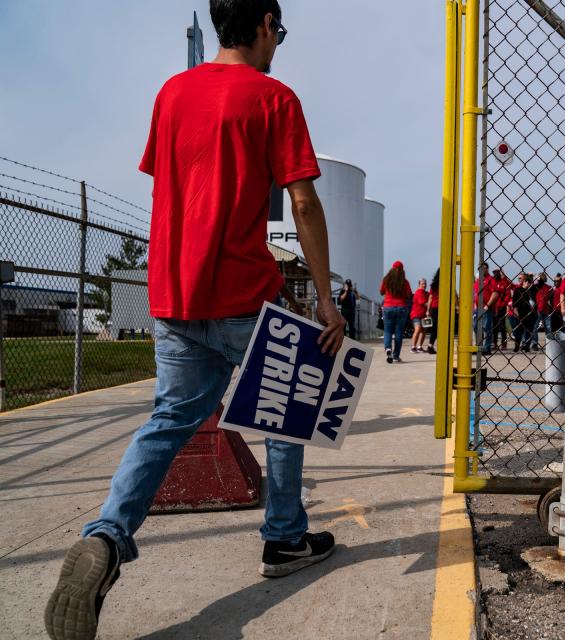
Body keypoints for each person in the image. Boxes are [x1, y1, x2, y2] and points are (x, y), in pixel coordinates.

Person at [44, 4, 346, 638]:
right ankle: (285, 537)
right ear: (264, 23)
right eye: (278, 34)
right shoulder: (274, 98)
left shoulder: (172, 93)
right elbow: (305, 200)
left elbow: (177, 184)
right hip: (242, 288)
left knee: (167, 421)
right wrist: (324, 296)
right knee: (285, 412)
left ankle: (106, 533)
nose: (277, 46)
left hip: (174, 296)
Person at [380, 261, 412, 363]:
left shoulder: (386, 280)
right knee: (399, 333)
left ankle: (388, 348)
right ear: (402, 270)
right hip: (401, 308)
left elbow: (381, 291)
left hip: (388, 307)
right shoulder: (405, 282)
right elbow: (409, 294)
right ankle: (396, 356)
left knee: (387, 331)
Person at [474, 262, 499, 355]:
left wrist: (488, 305)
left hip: (486, 308)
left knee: (486, 327)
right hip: (477, 308)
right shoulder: (478, 280)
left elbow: (495, 293)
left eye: (483, 268)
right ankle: (479, 346)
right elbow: (475, 293)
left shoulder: (491, 280)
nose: (481, 270)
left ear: (487, 269)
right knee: (476, 326)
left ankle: (487, 347)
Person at [511, 273, 535, 352]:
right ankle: (516, 347)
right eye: (519, 279)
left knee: (529, 331)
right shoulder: (517, 290)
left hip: (530, 315)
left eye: (521, 278)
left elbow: (540, 281)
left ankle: (526, 347)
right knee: (518, 332)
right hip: (520, 314)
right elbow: (514, 304)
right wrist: (517, 314)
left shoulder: (532, 290)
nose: (520, 280)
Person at [491, 268, 510, 349]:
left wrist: (504, 275)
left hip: (501, 306)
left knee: (502, 326)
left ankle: (504, 343)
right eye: (494, 273)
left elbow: (509, 288)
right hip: (493, 306)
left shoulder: (504, 282)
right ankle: (494, 343)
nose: (495, 274)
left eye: (497, 273)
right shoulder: (492, 282)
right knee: (494, 326)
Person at [532, 272, 552, 348]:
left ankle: (549, 344)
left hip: (546, 310)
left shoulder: (548, 287)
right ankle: (534, 343)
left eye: (543, 277)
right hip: (538, 309)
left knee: (548, 327)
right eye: (540, 277)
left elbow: (551, 298)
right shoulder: (535, 287)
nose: (541, 278)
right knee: (535, 327)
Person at [409, 278, 429, 352]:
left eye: (425, 284)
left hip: (423, 315)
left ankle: (419, 347)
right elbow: (423, 302)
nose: (424, 285)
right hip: (416, 314)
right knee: (417, 329)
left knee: (423, 331)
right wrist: (430, 305)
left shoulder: (425, 292)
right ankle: (413, 347)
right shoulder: (419, 292)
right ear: (419, 284)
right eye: (422, 284)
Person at [426, 269, 440, 354]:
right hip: (444, 307)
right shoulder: (447, 283)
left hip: (435, 307)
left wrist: (428, 310)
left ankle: (430, 345)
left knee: (434, 328)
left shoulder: (434, 285)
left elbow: (430, 298)